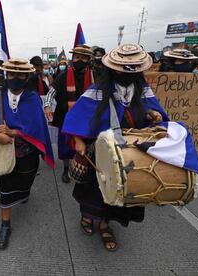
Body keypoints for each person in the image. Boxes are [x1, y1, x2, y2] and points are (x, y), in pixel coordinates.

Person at [62, 44, 169, 251]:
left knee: (120, 192)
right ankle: (87, 216)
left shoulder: (143, 90)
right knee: (95, 191)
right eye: (122, 68)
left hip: (132, 152)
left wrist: (153, 116)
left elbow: (154, 114)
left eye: (133, 68)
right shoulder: (97, 91)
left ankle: (104, 224)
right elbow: (76, 117)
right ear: (113, 68)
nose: (128, 72)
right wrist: (79, 141)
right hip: (102, 150)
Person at [0, 58, 54, 250]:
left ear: (27, 76)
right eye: (11, 73)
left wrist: (14, 132)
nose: (15, 77)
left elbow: (37, 126)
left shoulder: (32, 98)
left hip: (27, 154)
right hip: (4, 153)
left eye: (20, 74)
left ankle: (23, 193)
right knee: (5, 189)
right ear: (6, 74)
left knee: (25, 183)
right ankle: (5, 224)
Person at [43, 45, 94, 183]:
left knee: (86, 144)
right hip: (65, 116)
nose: (80, 60)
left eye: (83, 58)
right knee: (65, 145)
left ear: (89, 60)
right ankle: (66, 168)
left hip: (86, 118)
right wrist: (47, 105)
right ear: (73, 58)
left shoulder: (93, 76)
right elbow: (51, 93)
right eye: (77, 57)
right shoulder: (64, 75)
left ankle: (81, 165)